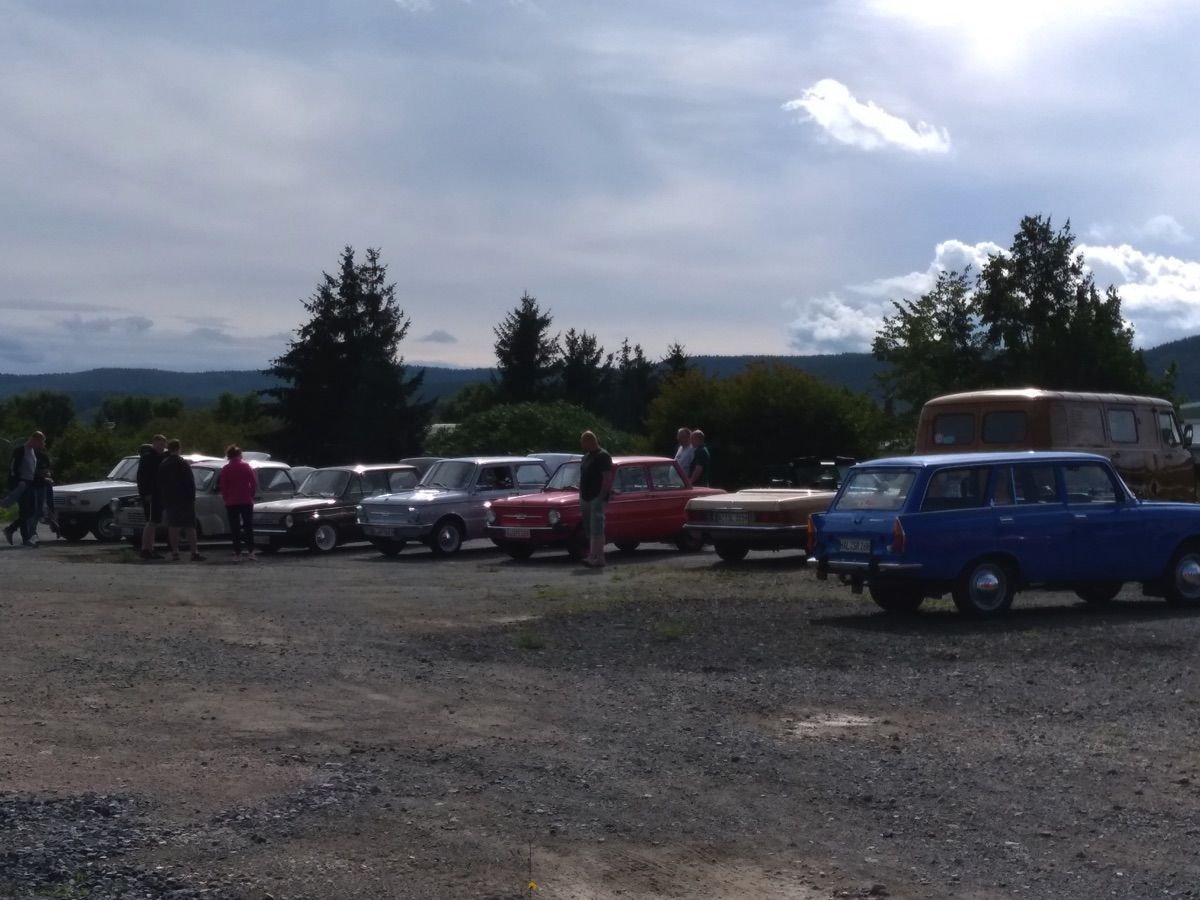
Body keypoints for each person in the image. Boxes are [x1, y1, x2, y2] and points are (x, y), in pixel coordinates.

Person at [158, 439, 203, 562]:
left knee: (173, 525)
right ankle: (194, 552)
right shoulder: (183, 463)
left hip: (170, 498)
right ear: (179, 449)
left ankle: (175, 552)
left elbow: (160, 482)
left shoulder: (164, 464)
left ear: (169, 449)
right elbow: (190, 482)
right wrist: (192, 497)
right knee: (190, 525)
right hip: (185, 498)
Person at [578, 430, 614, 568]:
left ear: (589, 441)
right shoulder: (586, 457)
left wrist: (601, 496)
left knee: (596, 528)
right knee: (589, 528)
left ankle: (595, 557)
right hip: (585, 497)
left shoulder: (603, 456)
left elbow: (607, 477)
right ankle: (596, 556)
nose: (582, 445)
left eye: (583, 442)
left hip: (596, 497)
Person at [4, 431, 46, 547]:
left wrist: (43, 478)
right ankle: (25, 538)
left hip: (29, 483)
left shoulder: (33, 452)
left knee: (30, 511)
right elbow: (13, 467)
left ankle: (11, 529)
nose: (41, 445)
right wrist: (19, 480)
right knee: (26, 510)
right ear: (34, 439)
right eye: (40, 442)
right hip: (21, 484)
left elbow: (31, 470)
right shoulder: (20, 450)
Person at [220, 445, 258, 560]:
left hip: (231, 502)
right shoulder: (246, 466)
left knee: (235, 528)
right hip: (246, 500)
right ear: (239, 455)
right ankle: (251, 551)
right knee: (248, 527)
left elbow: (223, 486)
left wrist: (226, 498)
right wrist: (251, 495)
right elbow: (253, 483)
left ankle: (238, 553)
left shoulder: (226, 468)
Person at [136, 435, 168, 560]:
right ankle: (145, 549)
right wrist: (146, 493)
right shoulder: (148, 458)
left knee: (154, 522)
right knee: (151, 521)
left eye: (163, 445)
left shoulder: (161, 457)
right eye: (160, 445)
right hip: (151, 495)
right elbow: (142, 478)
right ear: (154, 444)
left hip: (158, 494)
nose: (162, 447)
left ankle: (150, 548)